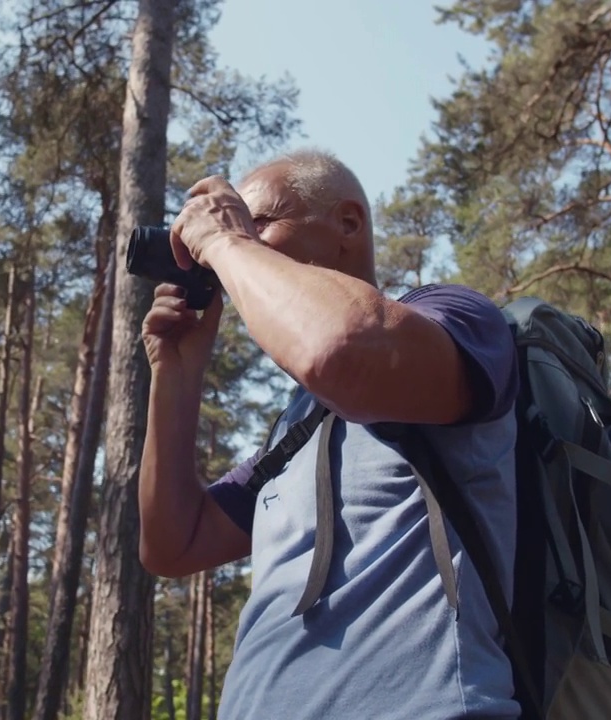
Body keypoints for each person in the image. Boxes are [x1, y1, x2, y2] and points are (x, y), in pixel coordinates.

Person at [138, 147, 520, 719]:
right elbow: (173, 543)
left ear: (346, 223)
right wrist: (177, 373)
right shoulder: (299, 424)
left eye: (257, 220)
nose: (238, 237)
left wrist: (224, 242)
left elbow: (342, 351)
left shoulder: (450, 316)